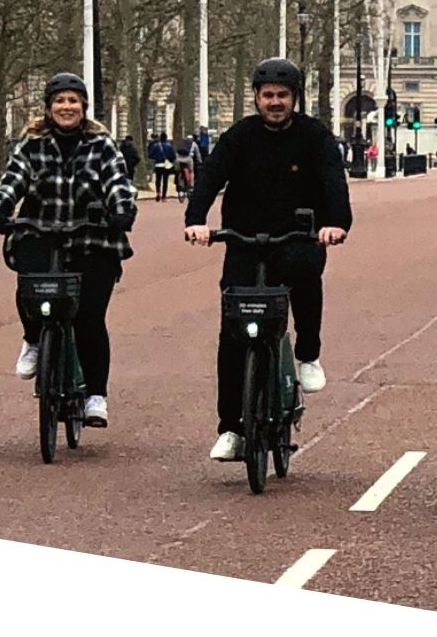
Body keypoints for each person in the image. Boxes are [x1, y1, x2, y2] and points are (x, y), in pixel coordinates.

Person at [185, 58, 351, 462]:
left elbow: (334, 182)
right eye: (267, 96)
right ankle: (231, 429)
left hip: (297, 236)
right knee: (231, 335)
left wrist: (335, 224)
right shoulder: (240, 136)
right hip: (244, 238)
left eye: (282, 95)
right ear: (257, 98)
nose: (274, 102)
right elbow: (211, 176)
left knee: (307, 279)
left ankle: (308, 353)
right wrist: (196, 220)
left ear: (294, 98)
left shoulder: (315, 136)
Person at [0, 73, 137, 430]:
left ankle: (95, 395)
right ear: (49, 107)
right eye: (59, 101)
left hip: (92, 238)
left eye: (73, 101)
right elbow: (13, 180)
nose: (66, 107)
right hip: (41, 232)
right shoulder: (31, 145)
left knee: (89, 316)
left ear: (83, 107)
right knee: (29, 290)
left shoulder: (101, 145)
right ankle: (34, 338)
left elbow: (117, 182)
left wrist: (121, 211)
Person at [147, 132, 176, 201]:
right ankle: (164, 196)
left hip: (158, 164)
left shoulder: (155, 145)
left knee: (158, 180)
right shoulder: (169, 146)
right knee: (165, 181)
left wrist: (156, 158)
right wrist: (169, 160)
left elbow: (150, 155)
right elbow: (173, 156)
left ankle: (158, 192)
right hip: (166, 165)